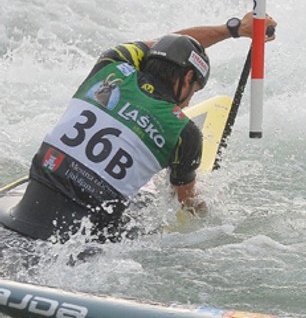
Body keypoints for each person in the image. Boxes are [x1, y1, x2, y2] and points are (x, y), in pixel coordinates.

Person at [0, 12, 277, 242]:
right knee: (147, 213)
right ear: (188, 78)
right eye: (194, 90)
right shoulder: (184, 132)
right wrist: (214, 210)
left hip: (22, 213)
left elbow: (164, 44)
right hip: (81, 246)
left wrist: (234, 29)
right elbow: (185, 204)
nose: (190, 101)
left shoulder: (110, 64)